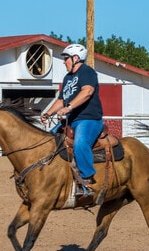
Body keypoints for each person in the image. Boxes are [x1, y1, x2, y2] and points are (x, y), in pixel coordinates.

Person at [41, 44, 103, 198]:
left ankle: (86, 181)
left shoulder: (87, 72)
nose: (64, 62)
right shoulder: (68, 77)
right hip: (72, 120)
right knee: (47, 140)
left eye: (66, 58)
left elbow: (87, 91)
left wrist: (69, 107)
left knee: (80, 143)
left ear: (76, 58)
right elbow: (61, 100)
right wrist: (48, 113)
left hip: (88, 119)